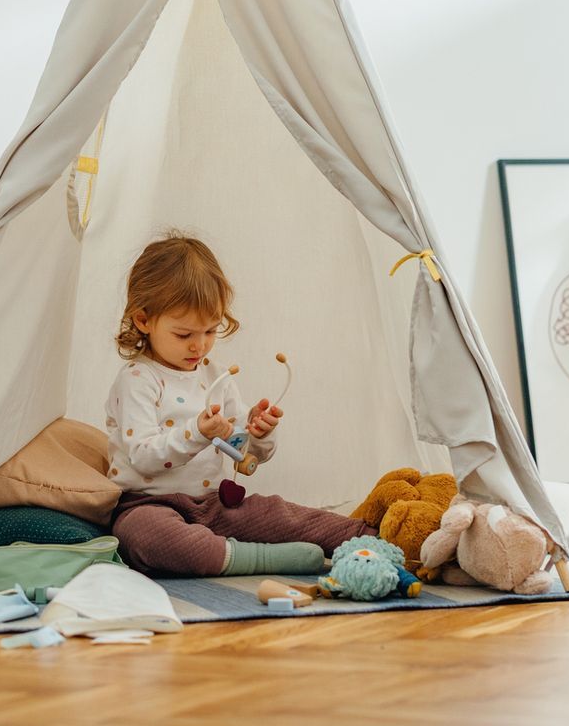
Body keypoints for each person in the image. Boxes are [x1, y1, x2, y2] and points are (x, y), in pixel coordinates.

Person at [104, 233, 372, 576]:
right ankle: (260, 558)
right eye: (184, 335)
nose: (198, 346)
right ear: (144, 321)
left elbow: (245, 457)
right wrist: (196, 433)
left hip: (215, 504)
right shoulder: (137, 379)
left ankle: (373, 537)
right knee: (144, 538)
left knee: (278, 514)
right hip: (148, 505)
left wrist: (259, 433)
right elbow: (143, 455)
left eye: (210, 332)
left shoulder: (216, 376)